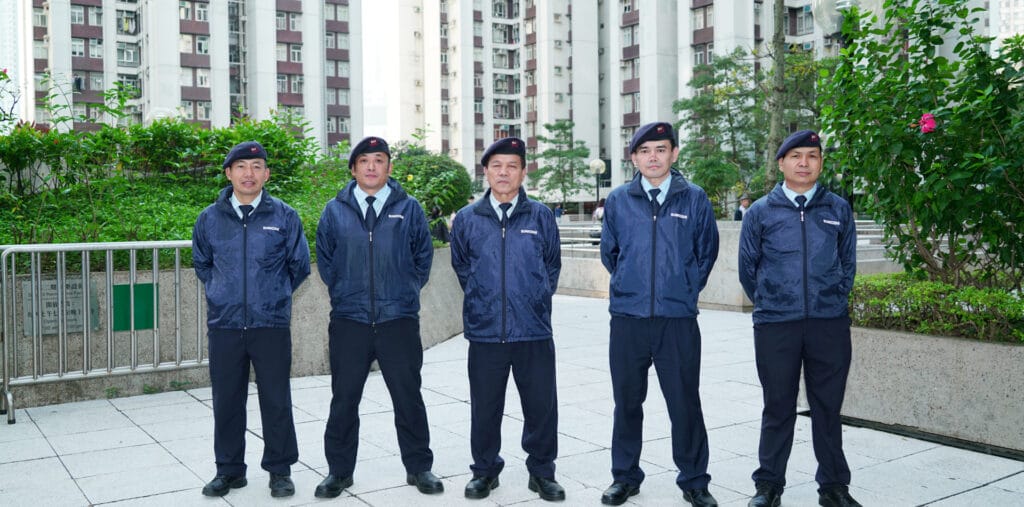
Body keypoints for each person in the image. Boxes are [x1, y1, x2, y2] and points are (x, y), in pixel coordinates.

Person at [314, 136, 443, 498]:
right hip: (349, 320)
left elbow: (423, 258)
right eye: (364, 161)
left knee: (408, 396)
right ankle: (339, 472)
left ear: (389, 166)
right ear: (353, 168)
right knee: (344, 399)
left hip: (398, 319)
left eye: (379, 160)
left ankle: (419, 467)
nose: (371, 166)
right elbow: (326, 260)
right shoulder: (334, 210)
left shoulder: (409, 208)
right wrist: (344, 292)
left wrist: (405, 290)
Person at [599, 122, 720, 507]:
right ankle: (625, 477)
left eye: (661, 149)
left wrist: (683, 287)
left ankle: (695, 480)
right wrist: (631, 286)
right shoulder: (619, 200)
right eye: (645, 151)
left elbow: (706, 252)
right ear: (634, 158)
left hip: (676, 320)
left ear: (674, 153)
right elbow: (610, 253)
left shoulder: (694, 198)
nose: (653, 157)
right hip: (628, 318)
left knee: (684, 402)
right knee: (627, 402)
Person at [738, 130, 860, 507]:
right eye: (796, 156)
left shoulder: (838, 209)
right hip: (776, 324)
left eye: (812, 155)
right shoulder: (760, 212)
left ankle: (834, 487)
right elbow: (747, 269)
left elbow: (848, 264)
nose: (804, 163)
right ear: (781, 164)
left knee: (828, 407)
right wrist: (772, 302)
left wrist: (833, 298)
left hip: (828, 323)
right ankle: (768, 486)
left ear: (821, 162)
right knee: (778, 406)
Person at [192, 141, 310, 498]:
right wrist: (221, 291)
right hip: (225, 324)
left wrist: (274, 294)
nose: (249, 173)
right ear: (228, 173)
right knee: (227, 400)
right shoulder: (209, 218)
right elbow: (202, 264)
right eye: (241, 166)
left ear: (267, 174)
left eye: (257, 167)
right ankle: (229, 470)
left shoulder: (284, 216)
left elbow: (299, 265)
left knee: (276, 399)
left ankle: (280, 470)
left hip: (270, 323)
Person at [450, 137, 565, 502]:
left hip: (532, 329)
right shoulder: (467, 219)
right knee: (485, 407)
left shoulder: (541, 216)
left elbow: (552, 265)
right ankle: (484, 471)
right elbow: (462, 267)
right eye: (496, 166)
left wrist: (535, 298)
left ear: (523, 172)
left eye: (512, 166)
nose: (504, 173)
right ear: (485, 171)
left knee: (541, 407)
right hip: (485, 331)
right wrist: (484, 299)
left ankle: (542, 472)